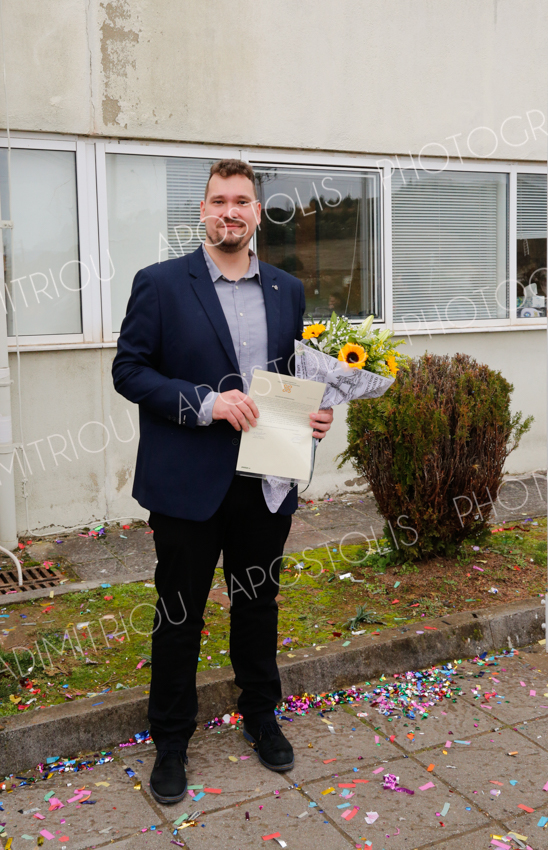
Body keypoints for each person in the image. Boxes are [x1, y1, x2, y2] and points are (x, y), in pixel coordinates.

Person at [112, 159, 334, 804]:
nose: (229, 212)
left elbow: (293, 378)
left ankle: (261, 716)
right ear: (204, 211)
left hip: (266, 478)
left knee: (257, 604)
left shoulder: (287, 289)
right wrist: (207, 403)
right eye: (218, 201)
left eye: (241, 201)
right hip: (187, 483)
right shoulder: (160, 283)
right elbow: (130, 371)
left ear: (258, 213)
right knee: (179, 614)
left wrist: (315, 413)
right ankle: (171, 740)